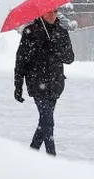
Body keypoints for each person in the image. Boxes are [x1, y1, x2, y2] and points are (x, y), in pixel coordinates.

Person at [13, 8, 75, 156]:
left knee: (44, 121)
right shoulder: (30, 32)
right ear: (41, 13)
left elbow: (70, 58)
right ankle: (51, 157)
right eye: (48, 12)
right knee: (48, 120)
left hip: (55, 84)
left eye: (54, 12)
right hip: (37, 83)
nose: (52, 15)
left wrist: (56, 48)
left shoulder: (62, 33)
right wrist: (18, 85)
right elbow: (21, 59)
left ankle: (32, 152)